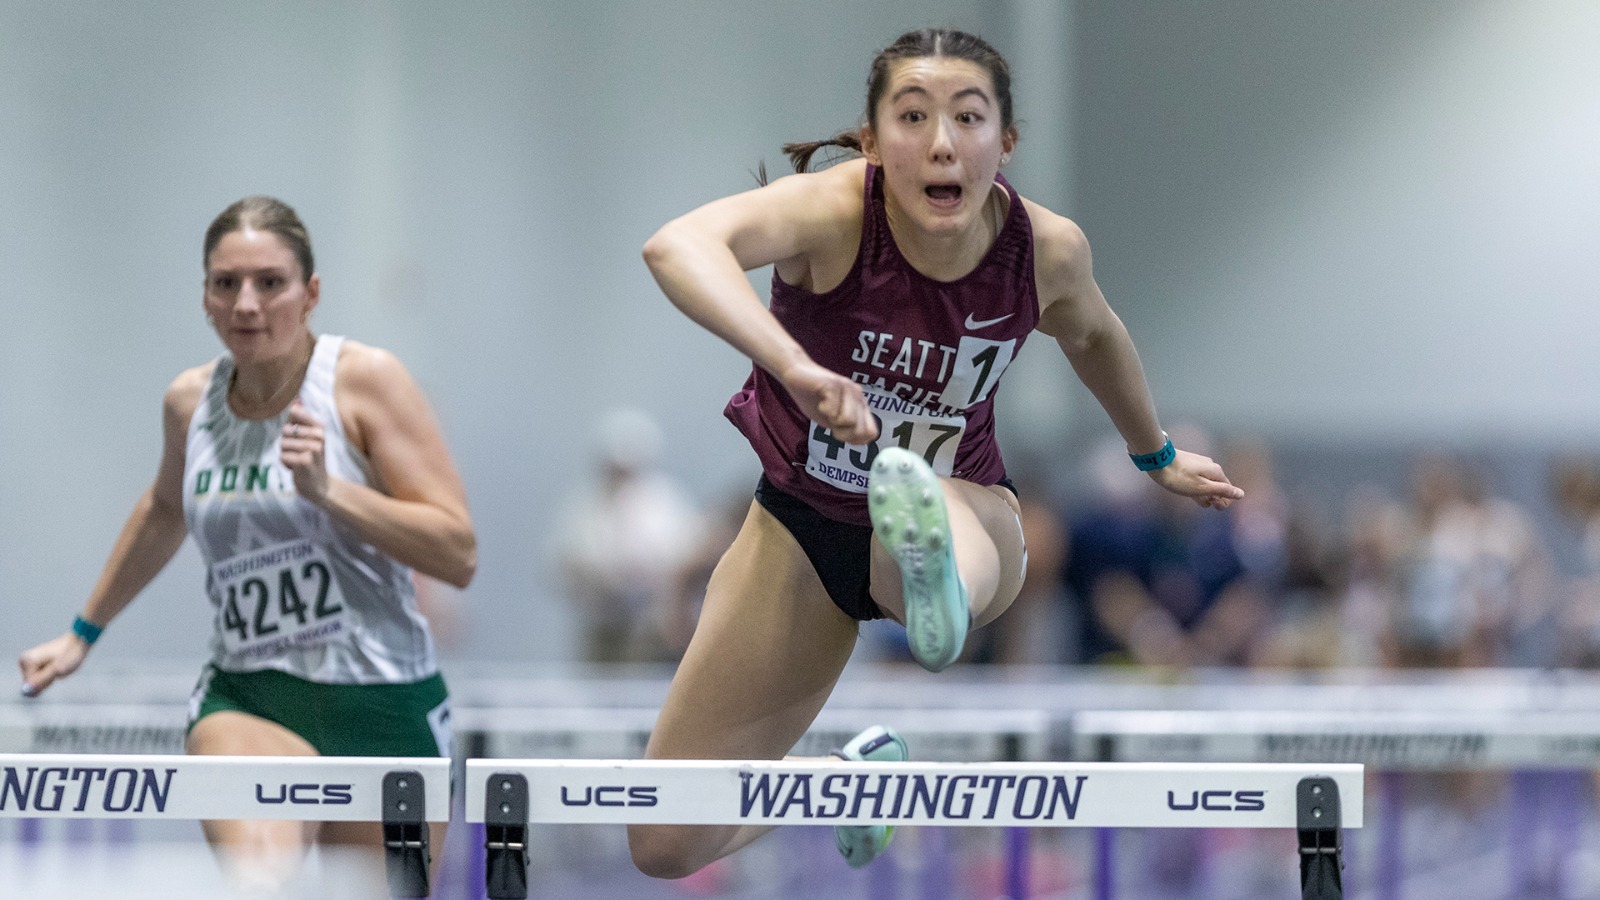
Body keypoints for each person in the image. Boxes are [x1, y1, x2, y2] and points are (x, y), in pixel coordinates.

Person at [627, 28, 1242, 879]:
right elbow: (677, 246)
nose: (943, 142)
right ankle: (849, 784)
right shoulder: (835, 213)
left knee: (921, 516)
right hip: (799, 531)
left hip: (970, 509)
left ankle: (934, 585)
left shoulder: (1046, 249)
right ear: (875, 144)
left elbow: (1096, 334)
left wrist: (1156, 454)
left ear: (1006, 143)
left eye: (968, 117)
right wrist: (794, 364)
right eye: (913, 117)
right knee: (664, 841)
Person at [17, 196, 476, 893]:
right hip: (251, 696)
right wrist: (84, 631)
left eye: (270, 282)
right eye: (225, 283)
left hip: (383, 700)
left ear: (311, 293)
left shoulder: (365, 381)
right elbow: (164, 509)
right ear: (204, 296)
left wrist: (330, 491)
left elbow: (457, 552)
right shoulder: (188, 402)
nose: (247, 304)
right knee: (264, 887)